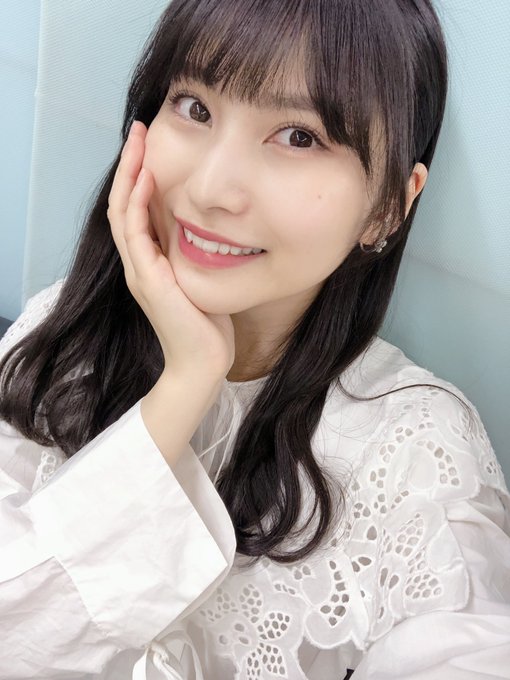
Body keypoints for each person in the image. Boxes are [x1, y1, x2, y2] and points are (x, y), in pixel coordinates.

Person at [1, 0, 509, 677]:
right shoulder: (65, 339)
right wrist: (185, 384)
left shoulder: (416, 452)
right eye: (195, 108)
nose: (211, 189)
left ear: (389, 204)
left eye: (299, 137)